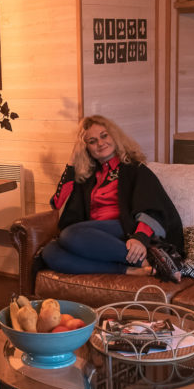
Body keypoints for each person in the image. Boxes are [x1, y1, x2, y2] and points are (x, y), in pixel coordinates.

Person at [41, 115, 184, 279]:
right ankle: (129, 270)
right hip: (95, 235)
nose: (100, 144)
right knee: (50, 252)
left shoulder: (134, 169)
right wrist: (73, 160)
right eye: (92, 141)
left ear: (114, 137)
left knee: (70, 234)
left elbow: (152, 207)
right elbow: (58, 203)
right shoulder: (87, 177)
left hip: (125, 228)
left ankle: (149, 260)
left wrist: (140, 239)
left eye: (104, 136)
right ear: (86, 148)